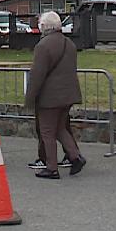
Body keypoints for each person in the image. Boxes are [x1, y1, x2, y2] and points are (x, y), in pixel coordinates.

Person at [24, 11, 85, 179]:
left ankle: (52, 167)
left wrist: (30, 98)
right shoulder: (69, 43)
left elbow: (38, 74)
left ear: (44, 26)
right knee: (60, 128)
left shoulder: (43, 46)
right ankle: (75, 156)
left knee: (47, 132)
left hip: (50, 97)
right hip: (68, 94)